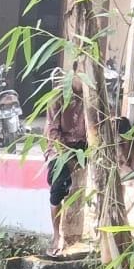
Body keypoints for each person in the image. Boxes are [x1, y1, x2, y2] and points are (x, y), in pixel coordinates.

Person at [44, 73, 89, 258]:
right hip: (61, 147)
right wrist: (68, 158)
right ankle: (57, 234)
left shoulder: (91, 97)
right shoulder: (58, 96)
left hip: (84, 145)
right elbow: (52, 133)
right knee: (58, 184)